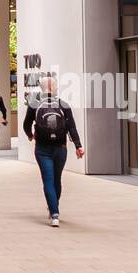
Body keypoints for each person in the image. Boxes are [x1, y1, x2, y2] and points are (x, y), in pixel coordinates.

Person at [23, 74, 84, 226]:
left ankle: (54, 213)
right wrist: (78, 146)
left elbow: (26, 124)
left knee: (48, 179)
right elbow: (72, 128)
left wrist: (31, 135)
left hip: (42, 149)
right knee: (57, 179)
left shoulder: (34, 105)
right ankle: (53, 208)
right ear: (53, 88)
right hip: (60, 148)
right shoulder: (64, 105)